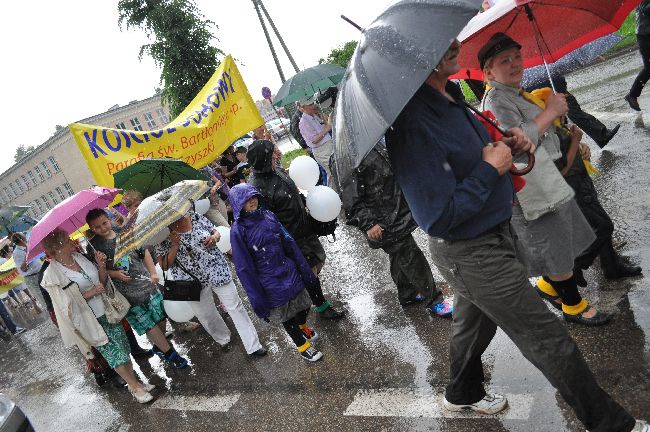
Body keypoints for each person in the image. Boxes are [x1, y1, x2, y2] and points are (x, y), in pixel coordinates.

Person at [385, 37, 647, 431]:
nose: (454, 42)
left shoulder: (452, 97)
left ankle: (461, 393)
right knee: (548, 340)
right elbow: (437, 216)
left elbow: (476, 153)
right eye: (440, 42)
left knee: (474, 324)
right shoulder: (412, 125)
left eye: (450, 33)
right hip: (471, 252)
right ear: (412, 59)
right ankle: (613, 425)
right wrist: (491, 169)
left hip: (495, 235)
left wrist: (507, 142)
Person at [481, 33, 608, 325]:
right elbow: (517, 140)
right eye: (504, 61)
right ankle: (573, 306)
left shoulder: (515, 93)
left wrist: (559, 119)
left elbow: (542, 133)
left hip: (546, 177)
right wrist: (550, 111)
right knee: (552, 245)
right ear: (488, 72)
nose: (515, 64)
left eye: (516, 57)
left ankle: (550, 286)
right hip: (531, 186)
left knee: (561, 239)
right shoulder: (497, 99)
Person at [40, 229, 155, 403]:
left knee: (124, 348)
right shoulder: (52, 275)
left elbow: (101, 282)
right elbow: (64, 305)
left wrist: (101, 265)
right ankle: (135, 388)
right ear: (57, 248)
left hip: (108, 310)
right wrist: (90, 293)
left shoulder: (81, 258)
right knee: (113, 354)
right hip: (89, 320)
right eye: (66, 239)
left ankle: (134, 383)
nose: (72, 240)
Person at [338, 140, 452, 315]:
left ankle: (407, 294)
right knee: (411, 256)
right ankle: (434, 299)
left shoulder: (373, 141)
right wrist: (368, 223)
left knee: (400, 255)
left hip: (396, 212)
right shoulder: (348, 155)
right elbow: (350, 199)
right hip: (381, 221)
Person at [247, 139, 345, 320]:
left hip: (304, 228)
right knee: (308, 271)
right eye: (272, 152)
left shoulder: (275, 170)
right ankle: (314, 309)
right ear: (263, 157)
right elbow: (265, 220)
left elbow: (292, 190)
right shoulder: (257, 188)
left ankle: (312, 302)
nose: (278, 154)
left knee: (317, 263)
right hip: (291, 238)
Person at [229, 184, 324, 361]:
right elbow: (243, 267)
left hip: (287, 269)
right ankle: (302, 346)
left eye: (254, 197)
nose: (252, 202)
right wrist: (257, 299)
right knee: (285, 315)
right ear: (238, 204)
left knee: (303, 303)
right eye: (247, 200)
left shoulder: (268, 215)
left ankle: (302, 324)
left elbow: (288, 241)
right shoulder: (238, 230)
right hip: (268, 279)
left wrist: (301, 266)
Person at [85, 209, 188, 368]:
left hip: (146, 283)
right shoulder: (94, 248)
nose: (102, 228)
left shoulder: (125, 232)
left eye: (104, 223)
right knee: (148, 325)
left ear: (109, 219)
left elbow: (143, 251)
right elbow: (101, 277)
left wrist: (153, 272)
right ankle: (170, 354)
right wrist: (108, 269)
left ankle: (159, 347)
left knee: (160, 317)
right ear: (92, 229)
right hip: (127, 296)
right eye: (96, 227)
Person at [155, 212, 267, 357]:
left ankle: (253, 345)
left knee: (235, 306)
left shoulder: (194, 216)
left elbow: (215, 231)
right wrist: (174, 246)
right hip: (190, 280)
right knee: (206, 315)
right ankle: (223, 339)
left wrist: (214, 238)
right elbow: (164, 266)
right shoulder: (162, 234)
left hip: (216, 268)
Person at [527, 76, 620, 148]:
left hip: (553, 90)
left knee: (572, 114)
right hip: (551, 93)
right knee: (572, 115)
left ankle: (601, 136)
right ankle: (601, 136)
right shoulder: (532, 72)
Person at [298, 95, 335, 183]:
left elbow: (327, 125)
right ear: (303, 107)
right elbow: (314, 140)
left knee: (335, 173)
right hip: (322, 151)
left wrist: (322, 116)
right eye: (310, 104)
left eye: (313, 103)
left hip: (329, 145)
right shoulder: (303, 122)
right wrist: (326, 129)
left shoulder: (315, 115)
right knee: (334, 174)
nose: (313, 105)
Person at [625, 0, 650, 111]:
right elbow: (645, 8)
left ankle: (632, 95)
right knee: (649, 68)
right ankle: (632, 95)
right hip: (645, 35)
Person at [10, 233, 43, 312]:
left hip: (41, 274)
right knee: (44, 300)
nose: (25, 235)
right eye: (23, 235)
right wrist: (27, 255)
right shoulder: (17, 253)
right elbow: (23, 269)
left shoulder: (28, 246)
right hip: (32, 278)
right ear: (20, 239)